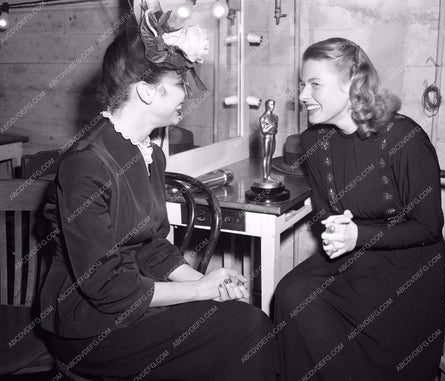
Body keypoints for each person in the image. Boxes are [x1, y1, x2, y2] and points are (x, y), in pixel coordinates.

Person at [39, 5, 278, 381]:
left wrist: (202, 283)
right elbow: (108, 287)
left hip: (132, 302)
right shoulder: (87, 164)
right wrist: (200, 290)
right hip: (89, 328)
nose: (187, 91)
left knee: (245, 325)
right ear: (148, 92)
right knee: (246, 328)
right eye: (180, 82)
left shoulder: (149, 152)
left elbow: (151, 246)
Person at [274, 37, 445, 381]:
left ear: (351, 84)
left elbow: (428, 228)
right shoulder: (314, 141)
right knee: (292, 293)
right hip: (353, 255)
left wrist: (359, 235)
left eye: (315, 84)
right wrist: (336, 230)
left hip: (406, 261)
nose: (303, 95)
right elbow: (325, 213)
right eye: (301, 84)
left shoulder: (403, 137)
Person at [259, 99, 279, 182]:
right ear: (266, 105)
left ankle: (269, 176)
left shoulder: (275, 117)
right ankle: (265, 177)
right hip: (267, 138)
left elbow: (276, 129)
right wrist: (271, 126)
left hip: (273, 138)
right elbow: (263, 131)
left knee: (270, 157)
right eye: (270, 104)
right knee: (266, 157)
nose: (272, 106)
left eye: (273, 104)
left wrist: (273, 127)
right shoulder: (263, 117)